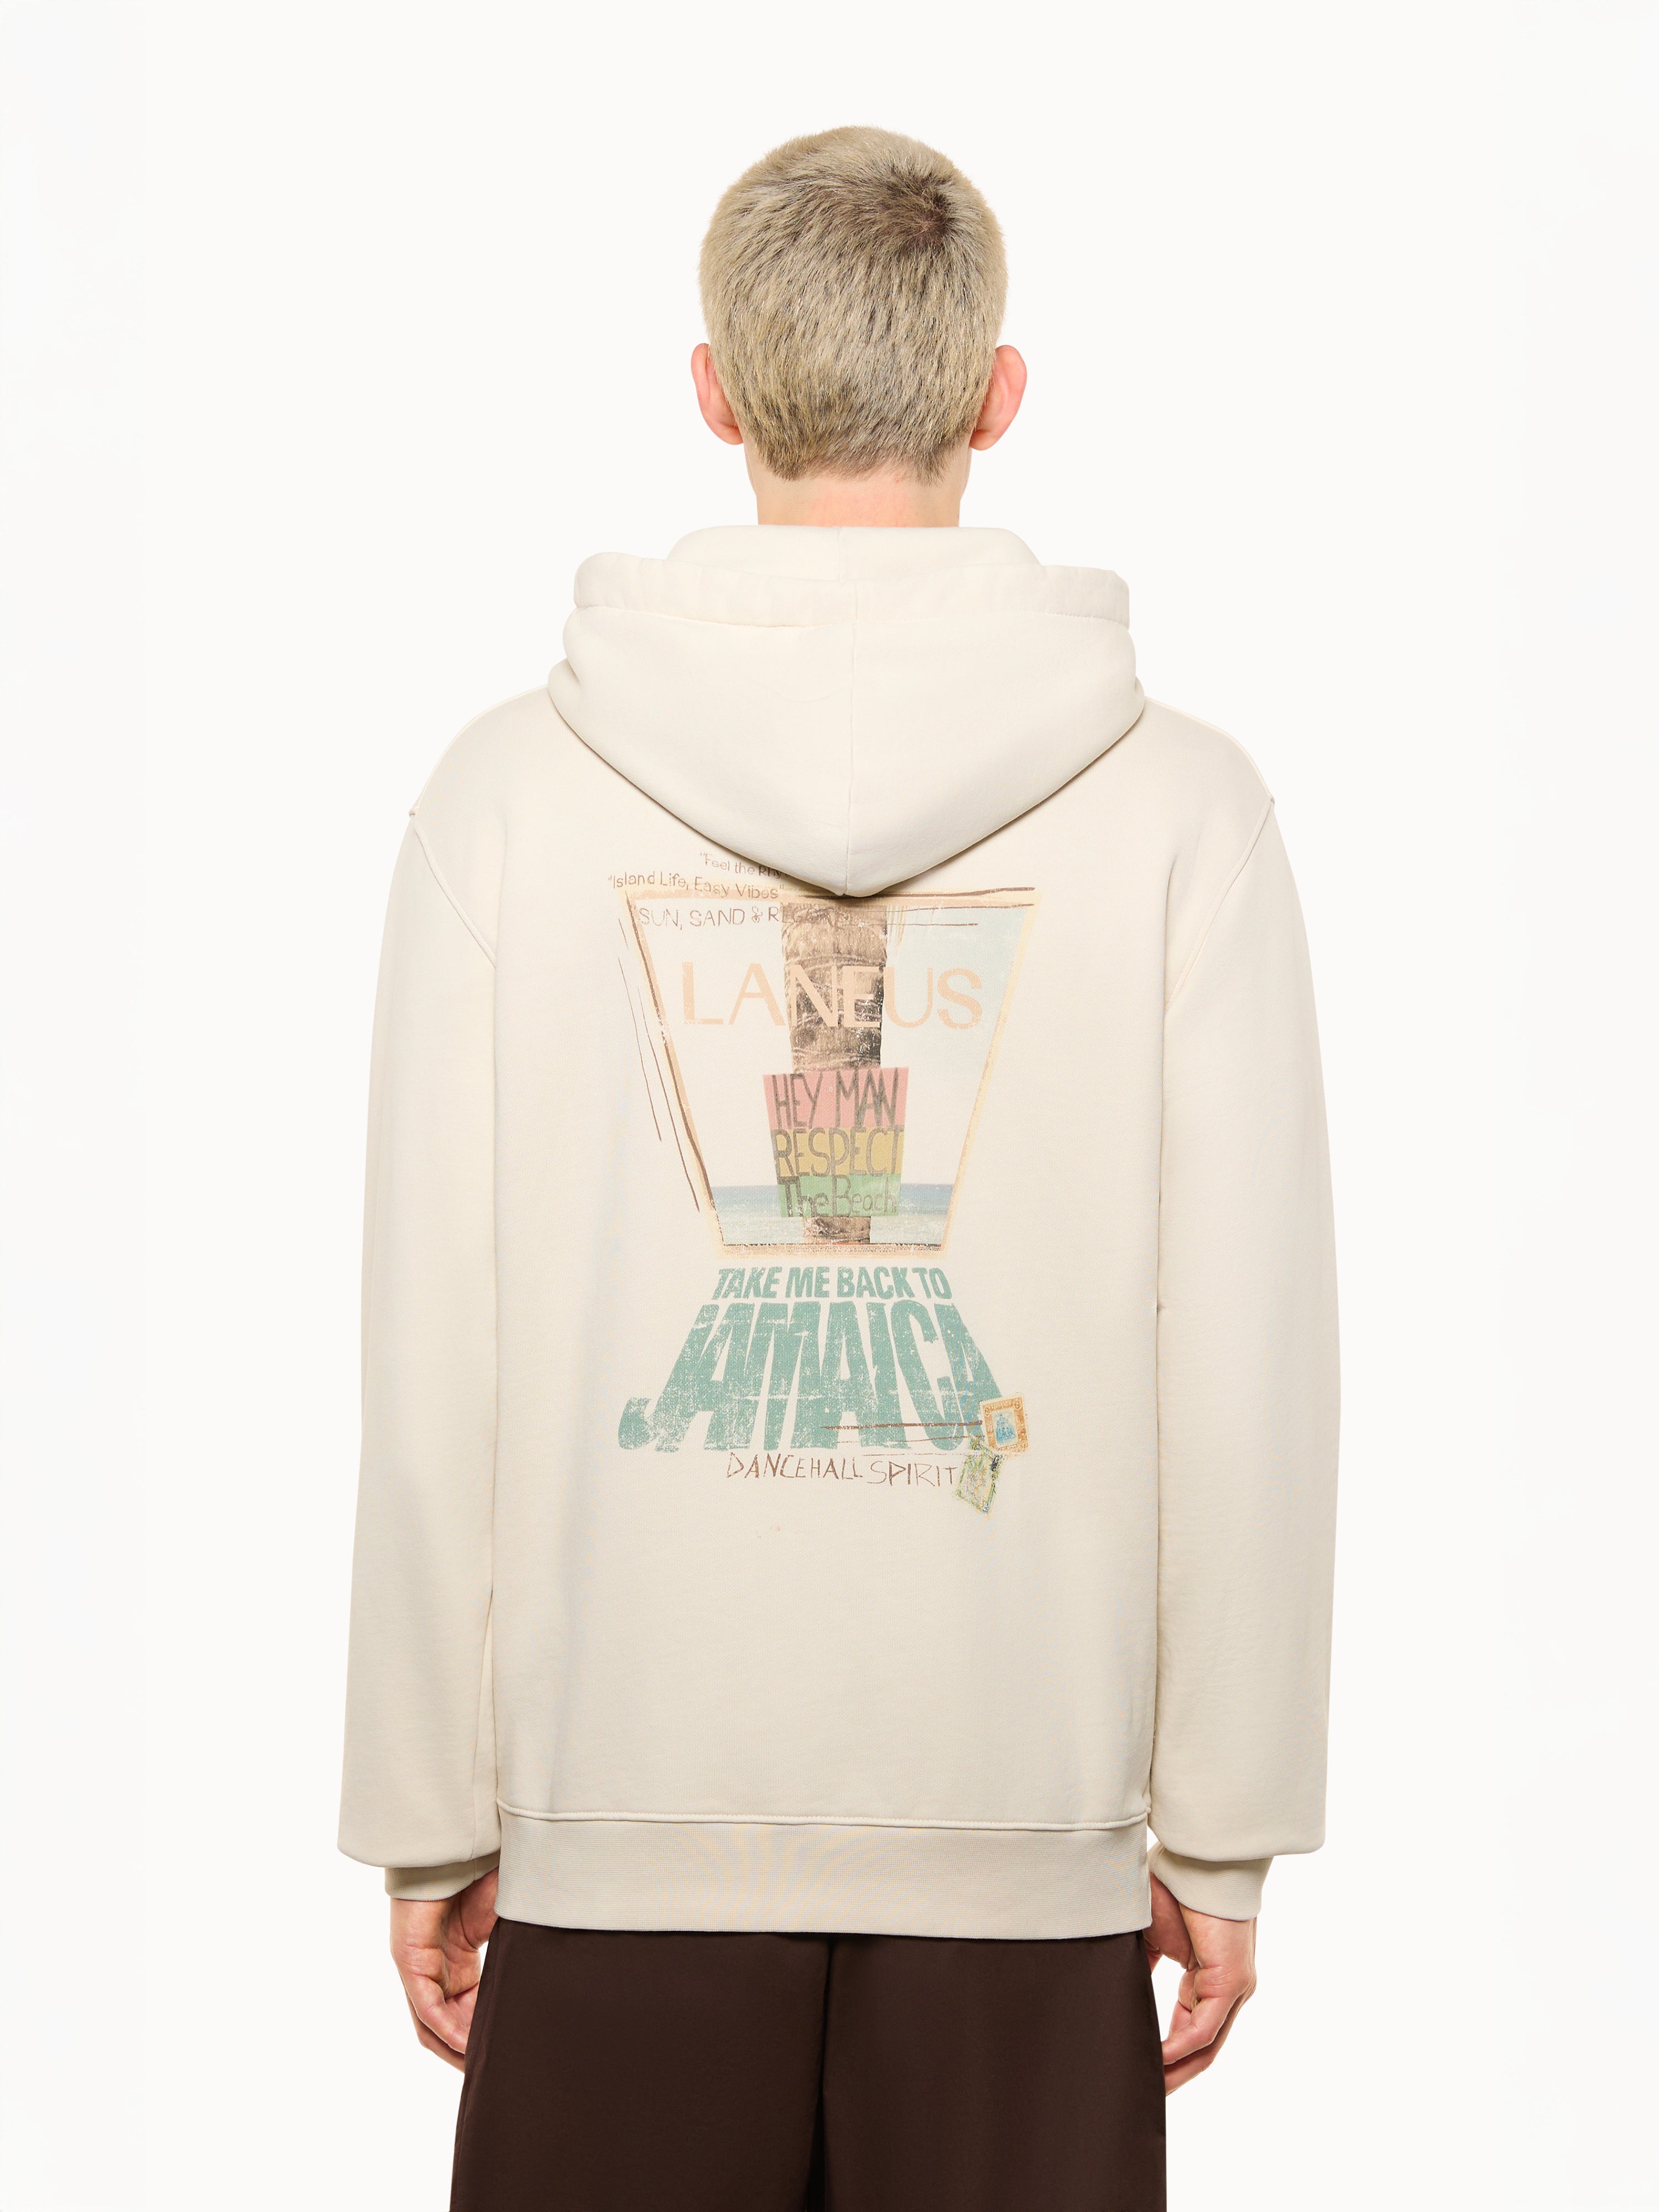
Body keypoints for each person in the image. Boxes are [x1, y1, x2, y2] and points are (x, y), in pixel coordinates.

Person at [339, 126, 1339, 2212]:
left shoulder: (505, 801)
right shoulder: (1184, 814)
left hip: (619, 1841)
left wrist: (430, 1809)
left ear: (715, 391)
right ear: (999, 393)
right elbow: (1246, 1360)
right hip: (1029, 1848)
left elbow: (436, 1353)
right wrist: (1225, 1827)